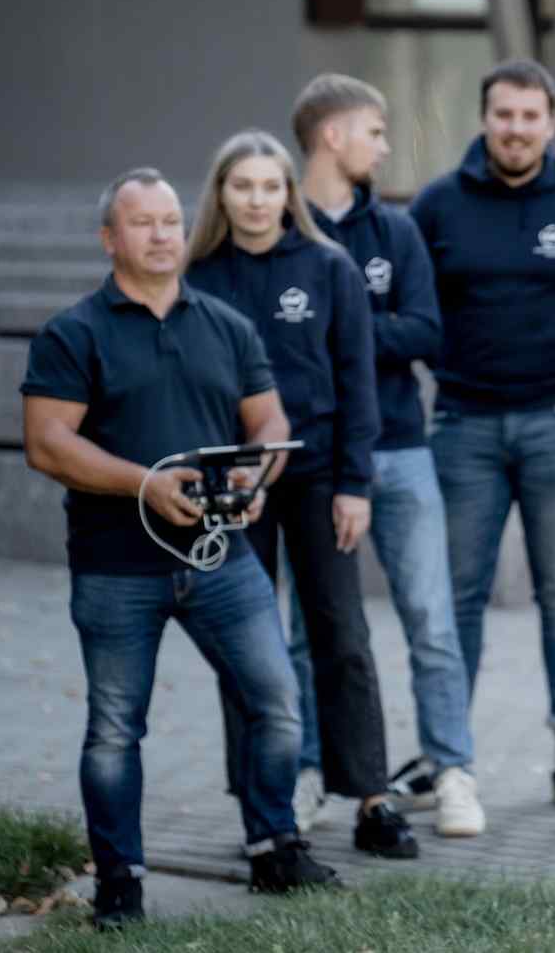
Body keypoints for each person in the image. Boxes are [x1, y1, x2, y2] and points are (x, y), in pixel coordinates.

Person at [20, 169, 339, 929]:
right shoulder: (74, 332)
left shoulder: (225, 325)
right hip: (116, 568)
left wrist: (258, 474)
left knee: (276, 703)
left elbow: (269, 421)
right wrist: (145, 483)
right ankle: (119, 882)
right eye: (143, 223)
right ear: (110, 238)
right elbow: (47, 443)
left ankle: (274, 847)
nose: (162, 235)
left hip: (223, 558)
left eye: (170, 221)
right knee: (114, 730)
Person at [409, 59, 555, 812]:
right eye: (503, 115)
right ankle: (446, 757)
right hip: (463, 428)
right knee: (454, 597)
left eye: (529, 116)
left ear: (551, 123)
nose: (515, 129)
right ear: (485, 118)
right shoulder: (437, 206)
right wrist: (452, 370)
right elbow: (414, 309)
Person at [185, 130, 420, 859]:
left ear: (289, 194)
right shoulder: (197, 276)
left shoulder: (328, 267)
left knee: (341, 635)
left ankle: (372, 798)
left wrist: (355, 484)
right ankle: (265, 807)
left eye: (270, 186)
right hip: (234, 481)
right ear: (221, 195)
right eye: (242, 186)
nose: (257, 200)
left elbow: (356, 383)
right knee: (244, 643)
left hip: (319, 476)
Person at [284, 73, 482, 837]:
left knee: (432, 620)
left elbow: (426, 331)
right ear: (332, 136)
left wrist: (338, 332)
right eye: (374, 130)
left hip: (400, 452)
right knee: (308, 631)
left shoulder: (395, 231)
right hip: (310, 464)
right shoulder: (280, 229)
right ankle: (307, 770)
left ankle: (452, 770)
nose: (385, 146)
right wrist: (362, 333)